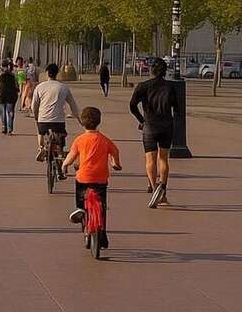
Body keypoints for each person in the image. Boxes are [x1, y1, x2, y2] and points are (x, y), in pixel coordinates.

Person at [64, 106, 123, 250]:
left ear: (82, 122)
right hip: (101, 179)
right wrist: (116, 163)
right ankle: (102, 235)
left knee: (80, 194)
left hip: (83, 178)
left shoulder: (79, 140)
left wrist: (64, 165)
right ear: (99, 121)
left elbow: (71, 156)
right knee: (102, 207)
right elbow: (115, 151)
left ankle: (80, 209)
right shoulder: (105, 140)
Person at [129, 58, 180, 207]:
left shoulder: (143, 86)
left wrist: (141, 120)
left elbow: (132, 105)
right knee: (163, 159)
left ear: (152, 70)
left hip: (150, 126)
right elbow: (176, 108)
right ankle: (163, 191)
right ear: (165, 71)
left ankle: (154, 188)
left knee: (150, 159)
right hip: (166, 126)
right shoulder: (170, 87)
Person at [32, 63, 80, 167]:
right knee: (60, 139)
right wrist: (79, 119)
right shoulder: (63, 87)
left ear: (47, 73)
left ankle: (41, 147)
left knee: (40, 132)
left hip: (43, 121)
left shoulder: (39, 87)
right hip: (58, 122)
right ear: (57, 73)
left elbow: (34, 106)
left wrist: (36, 117)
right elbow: (73, 105)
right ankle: (60, 154)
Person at [0, 60, 18, 135]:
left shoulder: (3, 74)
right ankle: (8, 128)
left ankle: (6, 128)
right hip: (8, 95)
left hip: (5, 95)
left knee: (5, 112)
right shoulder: (10, 75)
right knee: (8, 112)